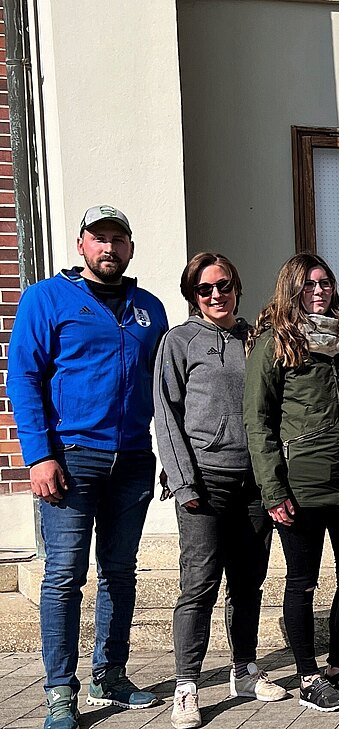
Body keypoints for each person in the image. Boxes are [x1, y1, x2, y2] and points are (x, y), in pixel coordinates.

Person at [9, 205, 169, 729]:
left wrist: (170, 456)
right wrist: (39, 456)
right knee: (64, 576)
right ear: (81, 244)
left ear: (130, 247)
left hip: (133, 459)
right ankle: (60, 691)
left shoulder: (149, 309)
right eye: (98, 238)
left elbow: (164, 389)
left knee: (120, 572)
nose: (108, 248)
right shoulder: (46, 298)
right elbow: (23, 378)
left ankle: (110, 674)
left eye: (117, 239)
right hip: (71, 459)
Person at [154, 253, 289, 728]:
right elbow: (166, 414)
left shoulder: (256, 340)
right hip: (204, 483)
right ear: (193, 294)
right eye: (205, 288)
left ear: (237, 287)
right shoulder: (179, 341)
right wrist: (182, 481)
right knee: (199, 585)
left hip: (253, 483)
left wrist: (275, 477)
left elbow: (274, 406)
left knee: (248, 582)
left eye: (225, 285)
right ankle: (186, 685)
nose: (217, 295)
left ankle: (244, 671)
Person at [243, 253, 339, 713]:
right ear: (292, 288)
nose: (319, 291)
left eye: (326, 283)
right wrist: (272, 490)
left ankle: (337, 665)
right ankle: (308, 676)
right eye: (310, 284)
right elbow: (258, 422)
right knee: (302, 582)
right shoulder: (274, 343)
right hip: (301, 485)